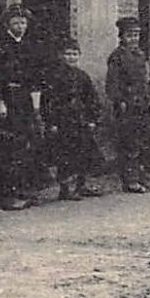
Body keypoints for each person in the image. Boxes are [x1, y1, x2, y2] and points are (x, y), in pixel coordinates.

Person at [0, 4, 46, 210]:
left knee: (28, 143)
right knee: (9, 146)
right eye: (16, 22)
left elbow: (36, 78)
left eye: (23, 23)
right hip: (8, 100)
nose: (20, 26)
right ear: (7, 24)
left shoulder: (31, 47)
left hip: (25, 100)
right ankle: (7, 195)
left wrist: (35, 105)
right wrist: (0, 102)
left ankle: (25, 190)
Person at [42, 40, 105, 201]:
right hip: (63, 121)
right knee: (65, 155)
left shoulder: (82, 76)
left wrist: (93, 119)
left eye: (74, 54)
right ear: (61, 56)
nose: (71, 57)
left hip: (80, 120)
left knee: (83, 152)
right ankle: (65, 188)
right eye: (68, 54)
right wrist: (52, 122)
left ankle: (81, 185)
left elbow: (91, 98)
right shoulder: (54, 76)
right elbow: (47, 101)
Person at [106, 17, 150, 193]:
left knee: (147, 140)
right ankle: (131, 179)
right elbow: (112, 84)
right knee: (130, 143)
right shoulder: (117, 57)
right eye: (129, 35)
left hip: (142, 104)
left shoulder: (141, 55)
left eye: (136, 35)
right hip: (127, 106)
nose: (133, 39)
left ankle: (147, 177)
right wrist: (119, 101)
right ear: (122, 37)